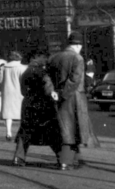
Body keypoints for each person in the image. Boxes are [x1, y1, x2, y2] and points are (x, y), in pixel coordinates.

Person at [47, 32, 90, 170]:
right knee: (71, 129)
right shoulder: (78, 58)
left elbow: (47, 77)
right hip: (73, 97)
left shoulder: (54, 57)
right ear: (77, 45)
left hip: (57, 96)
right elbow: (75, 79)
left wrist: (53, 92)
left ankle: (76, 158)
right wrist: (63, 94)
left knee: (66, 127)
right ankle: (65, 161)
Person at [15, 49, 61, 167]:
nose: (46, 60)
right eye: (44, 57)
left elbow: (23, 90)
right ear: (37, 57)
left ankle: (19, 158)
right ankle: (62, 158)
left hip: (28, 104)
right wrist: (53, 94)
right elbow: (47, 87)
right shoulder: (42, 72)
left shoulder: (26, 72)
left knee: (25, 131)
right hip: (42, 105)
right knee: (51, 131)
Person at [0, 50, 24, 140]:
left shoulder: (3, 68)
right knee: (22, 113)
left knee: (8, 114)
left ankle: (8, 132)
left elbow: (0, 81)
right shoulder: (22, 68)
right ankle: (22, 133)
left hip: (7, 92)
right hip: (20, 93)